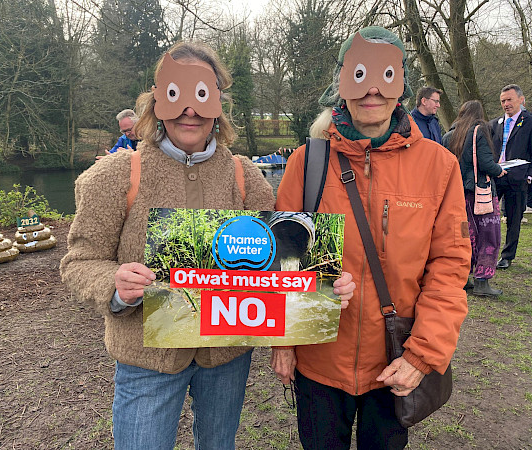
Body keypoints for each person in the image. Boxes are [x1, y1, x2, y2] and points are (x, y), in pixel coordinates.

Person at [60, 41, 356, 450]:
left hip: (225, 360)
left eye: (202, 95)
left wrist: (321, 285)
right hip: (147, 360)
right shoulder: (116, 174)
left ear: (217, 102)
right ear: (157, 100)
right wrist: (113, 282)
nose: (190, 109)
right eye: (177, 95)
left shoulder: (243, 175)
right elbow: (79, 260)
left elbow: (281, 256)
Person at [270, 27, 470, 449]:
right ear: (341, 83)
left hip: (395, 363)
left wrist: (421, 356)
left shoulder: (440, 166)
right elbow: (283, 259)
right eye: (360, 76)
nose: (372, 91)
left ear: (402, 86)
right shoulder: (307, 163)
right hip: (319, 362)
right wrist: (284, 343)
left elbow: (449, 269)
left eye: (386, 77)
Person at [443, 101, 506, 296]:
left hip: (457, 194)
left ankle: (463, 278)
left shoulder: (449, 135)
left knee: (464, 236)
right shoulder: (480, 131)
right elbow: (487, 163)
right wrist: (500, 170)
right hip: (480, 194)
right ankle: (482, 281)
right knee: (488, 236)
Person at [489, 84, 532, 269]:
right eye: (503, 101)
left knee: (513, 219)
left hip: (517, 178)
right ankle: (486, 252)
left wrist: (529, 176)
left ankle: (507, 256)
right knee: (488, 217)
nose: (506, 104)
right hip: (495, 176)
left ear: (521, 99)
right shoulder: (494, 124)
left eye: (509, 99)